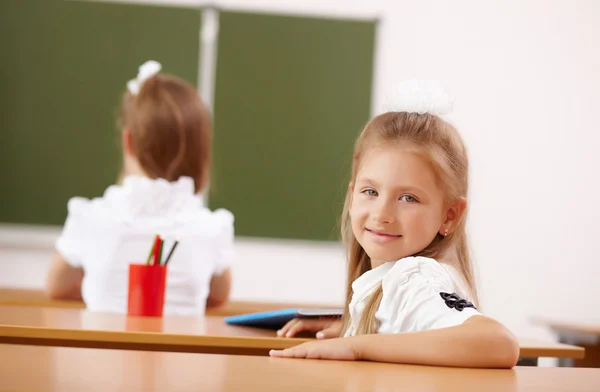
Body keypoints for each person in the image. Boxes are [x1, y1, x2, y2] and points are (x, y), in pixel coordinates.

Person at [270, 81, 519, 368]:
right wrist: (359, 328)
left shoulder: (414, 278)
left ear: (449, 215)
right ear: (352, 196)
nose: (382, 213)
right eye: (371, 192)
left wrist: (357, 345)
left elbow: (499, 343)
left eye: (408, 198)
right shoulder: (394, 282)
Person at [45, 61, 234, 316]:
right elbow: (219, 295)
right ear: (201, 150)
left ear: (128, 141)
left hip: (100, 355)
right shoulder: (211, 227)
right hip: (184, 356)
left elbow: (57, 286)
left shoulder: (92, 217)